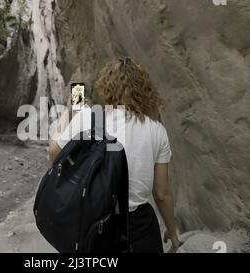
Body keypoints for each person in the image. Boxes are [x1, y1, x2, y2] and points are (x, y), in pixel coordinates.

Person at [48, 57, 181, 253]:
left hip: (97, 225)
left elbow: (53, 153)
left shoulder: (91, 117)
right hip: (140, 227)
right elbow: (161, 193)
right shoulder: (157, 130)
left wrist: (70, 110)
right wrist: (173, 231)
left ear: (106, 87)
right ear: (144, 89)